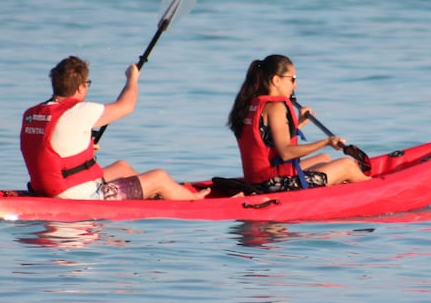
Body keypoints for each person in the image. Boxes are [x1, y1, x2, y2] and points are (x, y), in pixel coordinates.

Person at [21, 55, 208, 201]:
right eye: (87, 84)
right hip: (75, 194)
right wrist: (132, 78)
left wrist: (83, 148)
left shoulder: (32, 114)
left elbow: (49, 146)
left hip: (46, 187)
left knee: (122, 167)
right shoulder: (80, 111)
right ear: (80, 88)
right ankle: (194, 200)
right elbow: (127, 106)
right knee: (159, 176)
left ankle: (151, 196)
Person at [226, 54, 369, 193]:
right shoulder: (276, 107)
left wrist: (298, 124)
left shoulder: (253, 104)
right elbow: (286, 153)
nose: (295, 85)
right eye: (292, 79)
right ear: (276, 80)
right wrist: (326, 142)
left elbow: (268, 140)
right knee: (347, 165)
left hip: (259, 180)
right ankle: (371, 187)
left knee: (324, 158)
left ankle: (340, 186)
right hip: (273, 185)